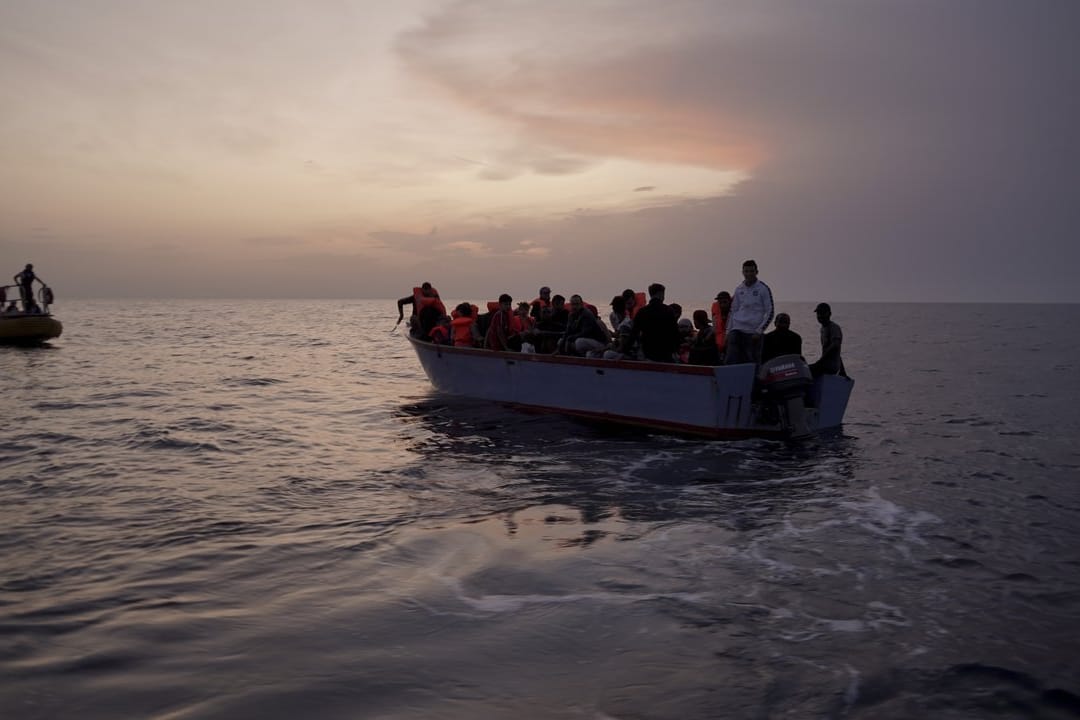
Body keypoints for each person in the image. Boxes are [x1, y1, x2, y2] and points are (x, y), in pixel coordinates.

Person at [725, 259, 773, 365]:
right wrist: (728, 332)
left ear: (756, 272)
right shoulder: (739, 289)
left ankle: (754, 379)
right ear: (743, 272)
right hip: (737, 328)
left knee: (752, 360)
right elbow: (733, 311)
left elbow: (770, 311)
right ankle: (729, 378)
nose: (749, 274)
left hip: (753, 331)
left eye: (751, 271)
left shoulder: (763, 289)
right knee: (731, 357)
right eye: (746, 271)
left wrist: (759, 331)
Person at [630, 283, 680, 362]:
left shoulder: (642, 312)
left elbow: (634, 333)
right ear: (660, 294)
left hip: (648, 352)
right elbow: (675, 333)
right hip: (665, 352)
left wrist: (625, 350)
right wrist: (676, 350)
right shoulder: (668, 311)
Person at [809, 303, 846, 378]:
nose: (820, 316)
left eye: (822, 313)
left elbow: (835, 346)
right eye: (818, 314)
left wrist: (820, 361)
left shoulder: (833, 327)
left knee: (807, 371)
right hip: (824, 364)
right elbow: (837, 353)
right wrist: (842, 371)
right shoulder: (823, 329)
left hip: (829, 366)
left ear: (829, 314)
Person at [711, 291, 731, 362]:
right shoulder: (716, 311)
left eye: (725, 302)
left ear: (729, 301)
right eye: (720, 303)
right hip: (718, 345)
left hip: (730, 344)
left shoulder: (735, 312)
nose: (722, 305)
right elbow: (715, 328)